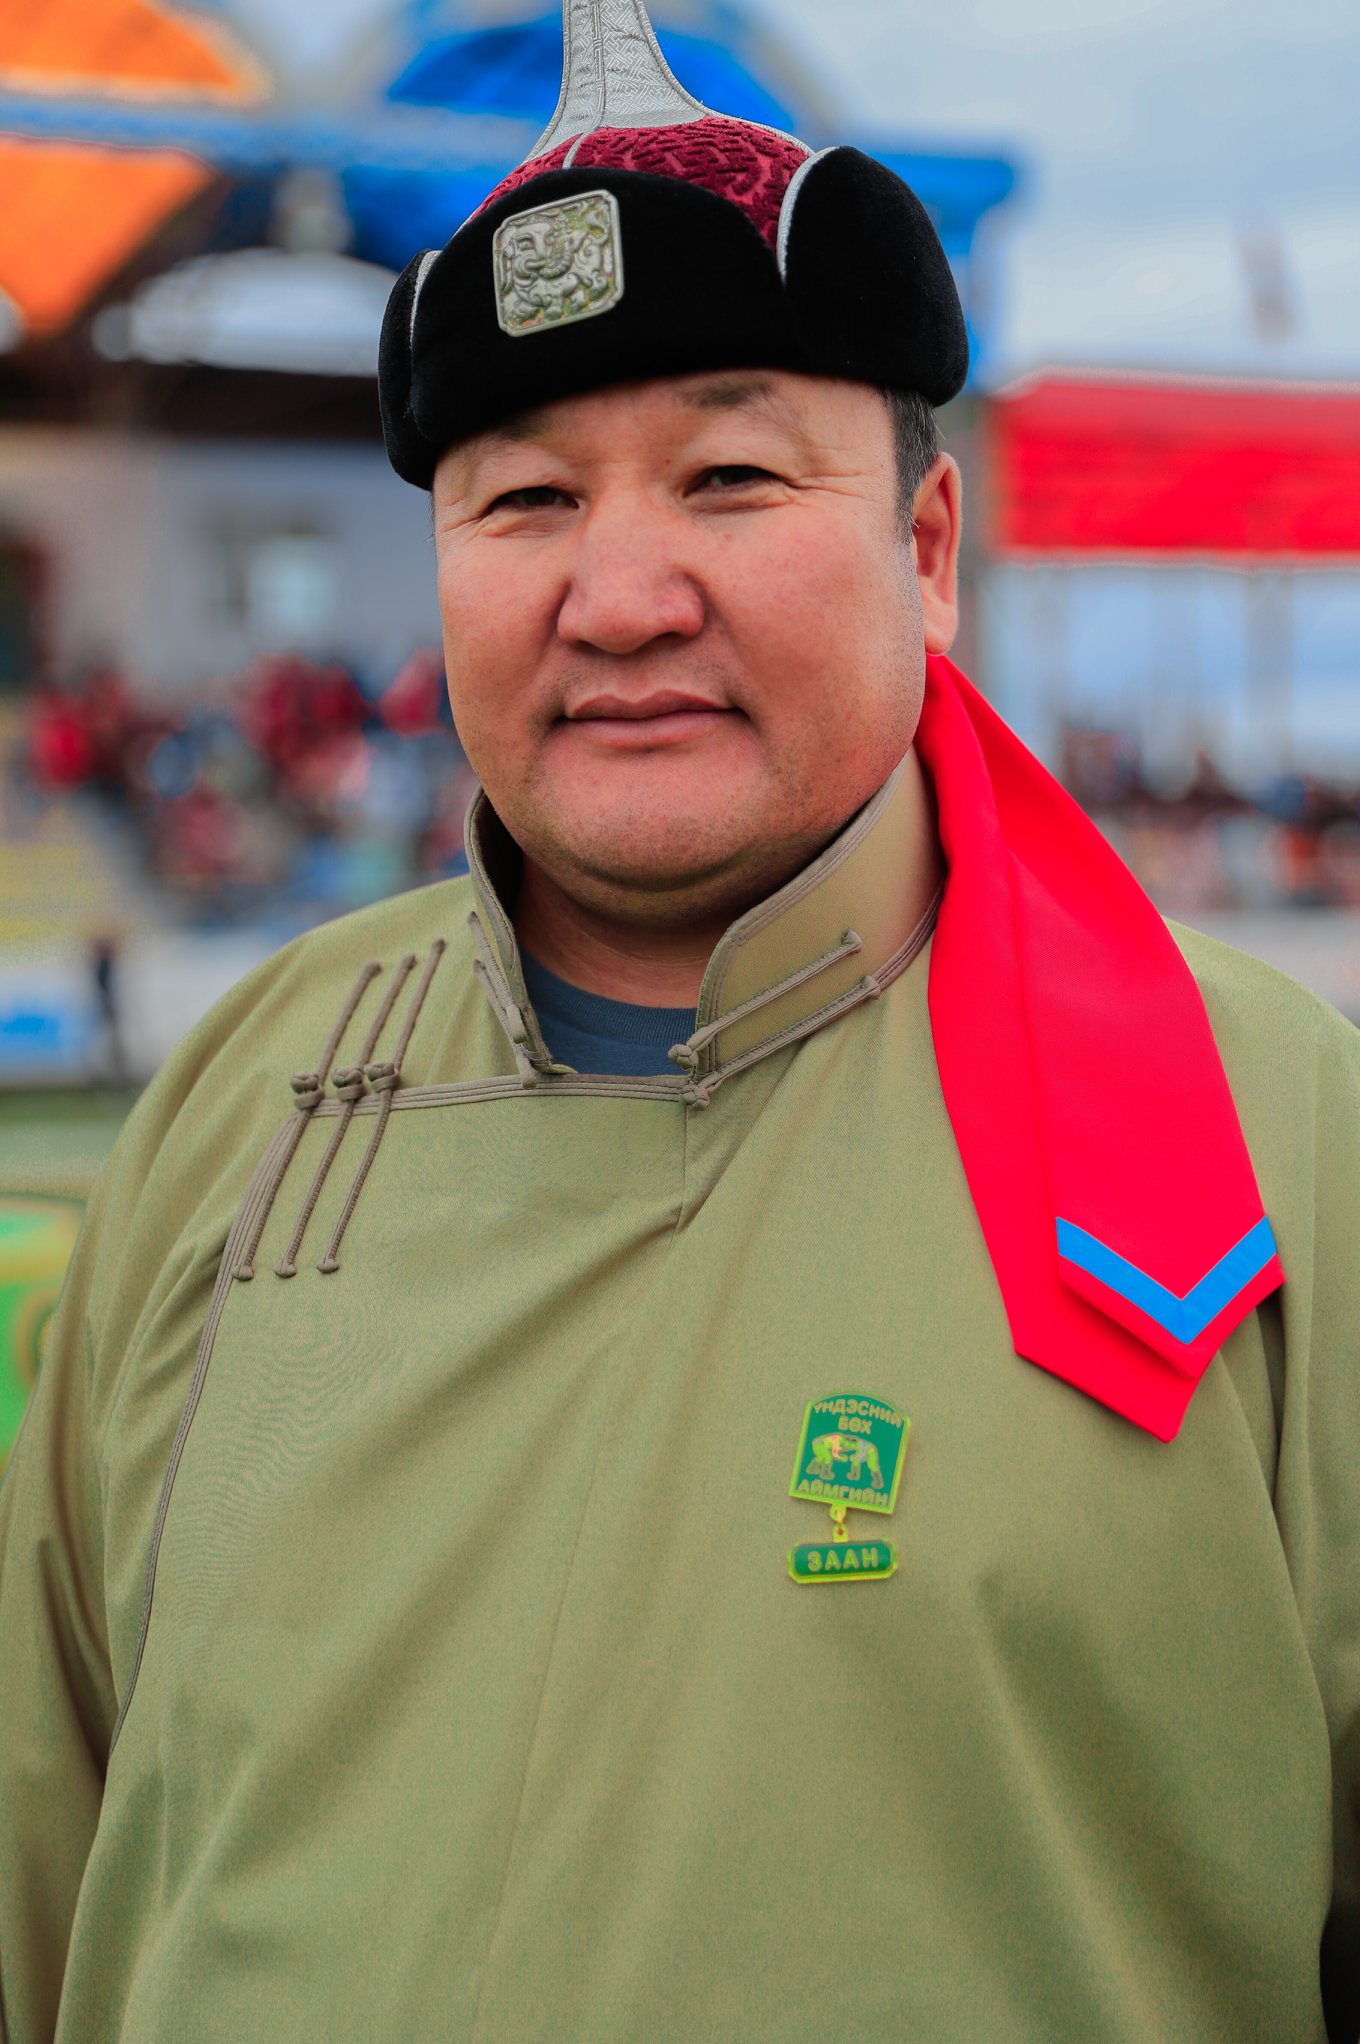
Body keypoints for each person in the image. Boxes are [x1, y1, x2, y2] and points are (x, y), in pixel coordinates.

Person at [3, 4, 1359, 2039]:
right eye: (524, 503)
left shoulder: (1278, 1142)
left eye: (727, 477)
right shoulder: (235, 1108)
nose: (619, 594)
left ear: (925, 548)